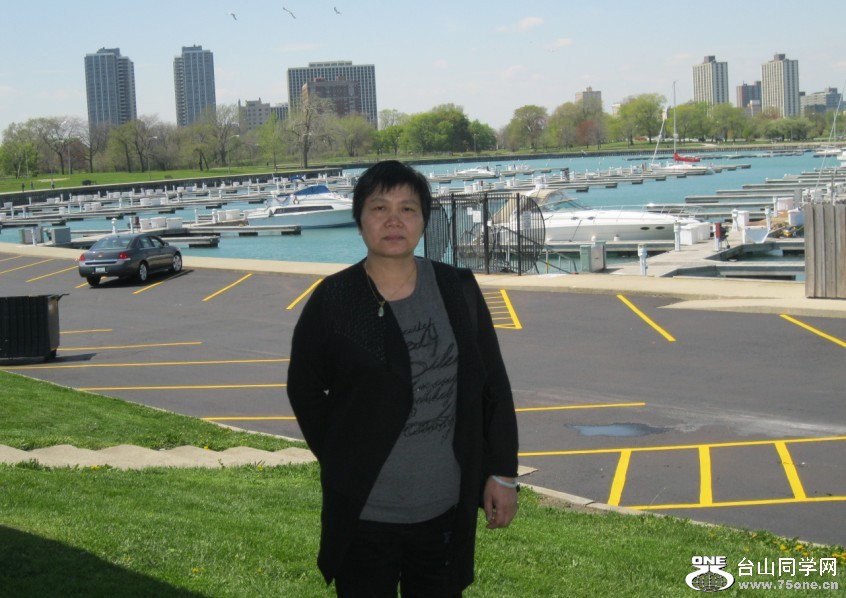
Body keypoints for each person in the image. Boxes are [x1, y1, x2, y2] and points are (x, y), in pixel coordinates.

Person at [287, 160, 519, 597]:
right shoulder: (335, 298)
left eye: (408, 209)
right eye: (379, 208)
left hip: (444, 510)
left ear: (423, 220)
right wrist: (340, 456)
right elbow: (304, 388)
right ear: (360, 220)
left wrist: (503, 474)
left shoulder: (456, 288)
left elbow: (493, 387)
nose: (394, 221)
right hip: (364, 514)